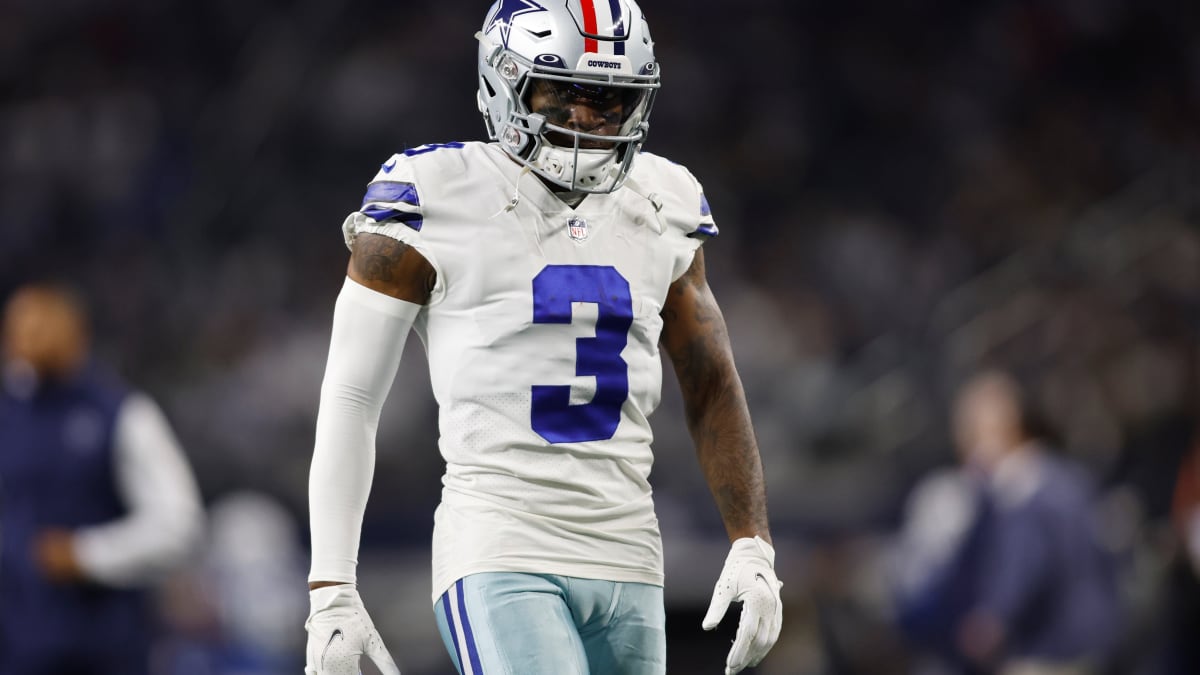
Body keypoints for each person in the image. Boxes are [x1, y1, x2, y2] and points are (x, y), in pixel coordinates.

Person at [303, 2, 783, 674]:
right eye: (565, 92)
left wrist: (752, 543)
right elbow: (353, 394)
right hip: (501, 544)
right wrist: (331, 586)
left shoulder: (663, 199)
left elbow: (711, 382)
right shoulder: (432, 193)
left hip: (631, 552)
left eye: (611, 98)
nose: (589, 117)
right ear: (506, 82)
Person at [0, 282, 205, 675]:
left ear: (75, 330)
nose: (25, 335)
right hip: (17, 645)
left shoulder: (121, 412)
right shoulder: (9, 415)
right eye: (17, 326)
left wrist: (86, 554)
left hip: (103, 647)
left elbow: (180, 526)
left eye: (40, 323)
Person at [891, 370, 1122, 675]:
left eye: (972, 434)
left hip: (1049, 652)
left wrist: (992, 619)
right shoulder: (1067, 477)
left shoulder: (1023, 487)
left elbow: (1026, 562)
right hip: (1095, 644)